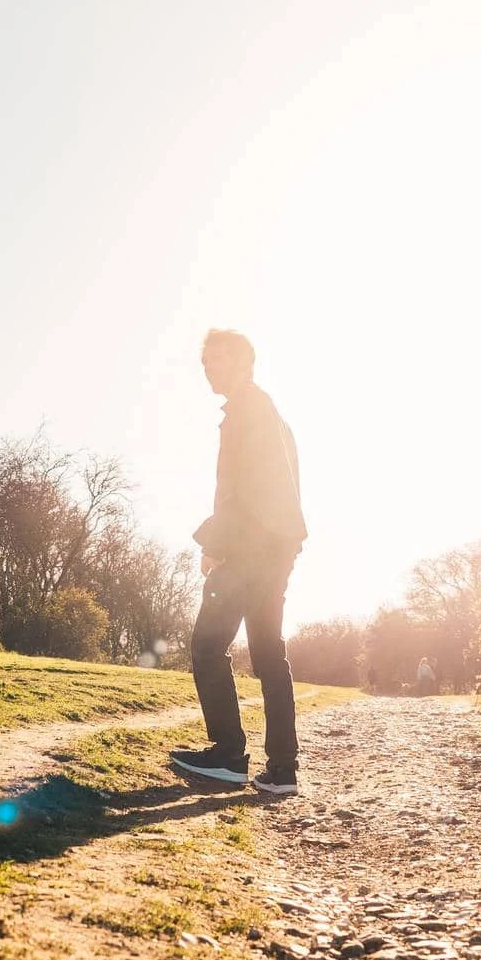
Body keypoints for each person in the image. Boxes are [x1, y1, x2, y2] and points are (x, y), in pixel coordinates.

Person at [169, 329, 306, 798]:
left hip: (251, 546)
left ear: (246, 363)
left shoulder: (249, 412)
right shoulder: (269, 413)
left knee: (207, 646)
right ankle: (282, 771)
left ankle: (229, 755)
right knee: (269, 654)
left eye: (220, 359)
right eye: (206, 361)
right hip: (277, 547)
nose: (211, 368)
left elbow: (241, 490)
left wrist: (216, 544)